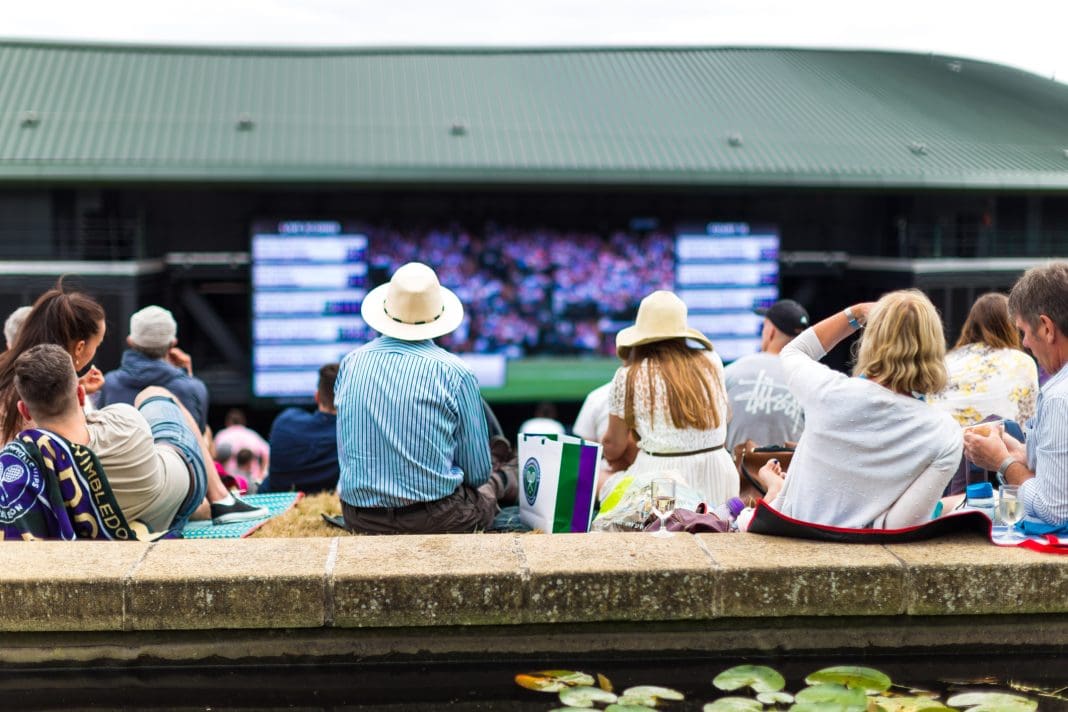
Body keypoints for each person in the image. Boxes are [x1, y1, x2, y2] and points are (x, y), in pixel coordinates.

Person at [755, 290, 962, 529]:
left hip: (792, 548)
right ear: (935, 348)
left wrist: (856, 313)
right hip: (866, 561)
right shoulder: (946, 434)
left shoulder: (828, 392)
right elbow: (898, 527)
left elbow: (793, 351)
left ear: (872, 339)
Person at [12, 344, 267, 531]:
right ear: (81, 396)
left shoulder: (30, 468)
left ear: (24, 410)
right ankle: (221, 498)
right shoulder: (123, 420)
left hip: (144, 517)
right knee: (154, 394)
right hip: (184, 486)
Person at [336, 262, 511, 534]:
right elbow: (476, 475)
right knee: (488, 487)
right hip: (436, 519)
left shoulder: (349, 363)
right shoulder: (456, 373)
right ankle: (504, 477)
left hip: (360, 518)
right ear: (438, 316)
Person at [600, 290, 736, 506]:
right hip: (720, 472)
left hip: (661, 482)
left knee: (600, 480)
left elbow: (613, 444)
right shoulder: (712, 360)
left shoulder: (628, 375)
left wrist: (614, 456)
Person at [964, 263, 1068, 527]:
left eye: (1023, 331)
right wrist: (1024, 454)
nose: (1024, 343)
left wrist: (1001, 462)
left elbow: (1054, 510)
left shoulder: (1058, 397)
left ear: (1046, 327)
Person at [0, 281, 108, 443]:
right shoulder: (38, 399)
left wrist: (77, 385)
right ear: (79, 348)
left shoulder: (11, 371)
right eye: (97, 344)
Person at [929, 292, 1039, 426]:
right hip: (995, 440)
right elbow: (1028, 422)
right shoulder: (1021, 362)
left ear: (970, 324)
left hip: (945, 438)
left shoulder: (948, 360)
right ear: (1010, 325)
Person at [100, 305, 210, 433]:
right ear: (173, 343)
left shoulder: (109, 384)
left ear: (130, 341)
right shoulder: (193, 388)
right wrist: (188, 377)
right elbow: (199, 436)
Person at [723, 299, 809, 452]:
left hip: (737, 473)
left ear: (770, 331)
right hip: (787, 474)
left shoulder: (732, 372)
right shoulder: (811, 380)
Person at [262, 363, 340, 494]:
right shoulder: (352, 437)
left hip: (273, 506)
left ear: (317, 396)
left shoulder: (284, 421)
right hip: (323, 509)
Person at [214, 409, 270, 488]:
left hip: (229, 483)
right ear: (243, 422)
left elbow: (213, 457)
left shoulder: (222, 435)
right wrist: (263, 474)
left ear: (228, 422)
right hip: (252, 480)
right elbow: (267, 453)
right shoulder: (252, 435)